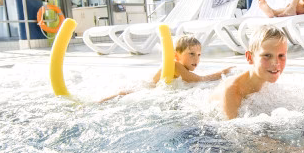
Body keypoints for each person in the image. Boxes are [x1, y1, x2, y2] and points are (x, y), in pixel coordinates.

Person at [98, 35, 228, 102]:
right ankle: (98, 102)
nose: (196, 59)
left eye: (199, 55)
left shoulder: (180, 67)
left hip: (150, 86)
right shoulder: (176, 65)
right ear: (177, 55)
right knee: (122, 95)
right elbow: (196, 79)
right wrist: (221, 74)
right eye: (191, 54)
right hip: (147, 87)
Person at [218, 26, 288, 119]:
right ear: (250, 57)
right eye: (267, 55)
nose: (276, 63)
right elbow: (234, 130)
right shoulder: (232, 91)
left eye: (281, 55)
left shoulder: (267, 79)